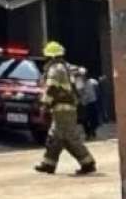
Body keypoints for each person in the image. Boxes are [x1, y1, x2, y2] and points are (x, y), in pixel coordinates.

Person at [34, 41, 96, 175]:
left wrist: (44, 104)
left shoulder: (55, 69)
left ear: (51, 56)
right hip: (66, 109)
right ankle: (49, 164)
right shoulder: (66, 67)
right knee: (58, 138)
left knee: (65, 138)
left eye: (46, 56)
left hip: (62, 109)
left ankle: (88, 163)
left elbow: (52, 88)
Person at [77, 68, 99, 139]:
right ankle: (88, 133)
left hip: (91, 102)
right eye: (81, 75)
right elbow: (79, 93)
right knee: (84, 120)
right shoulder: (79, 83)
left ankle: (92, 131)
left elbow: (92, 93)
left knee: (94, 119)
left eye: (84, 75)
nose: (83, 76)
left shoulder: (91, 82)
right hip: (84, 104)